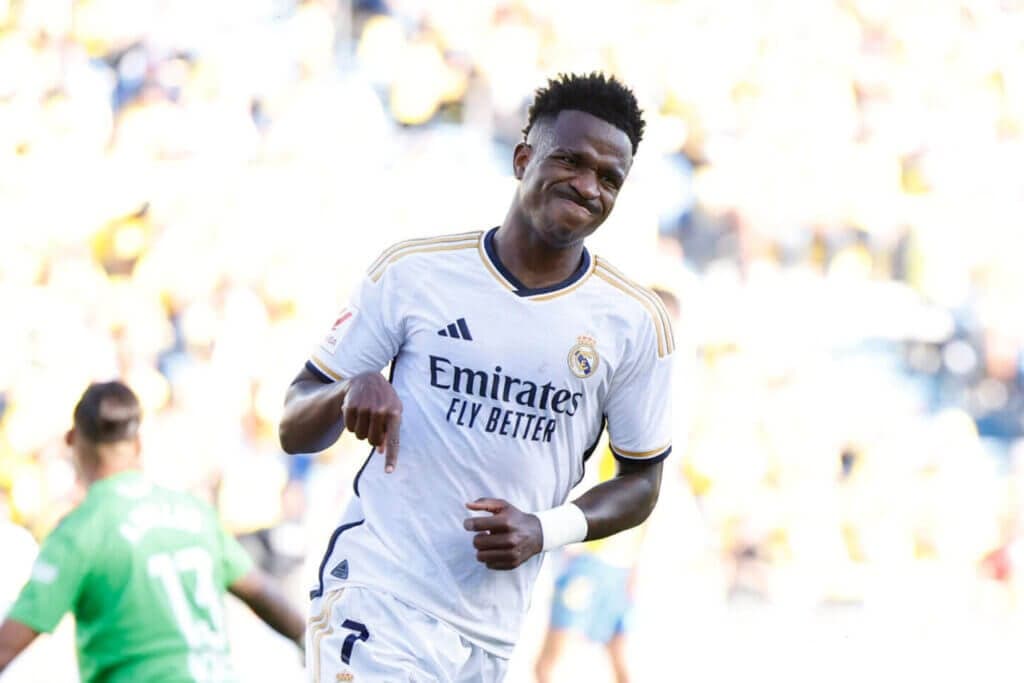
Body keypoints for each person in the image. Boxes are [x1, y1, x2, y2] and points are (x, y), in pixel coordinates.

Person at [280, 72, 676, 682]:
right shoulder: (416, 272)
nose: (587, 186)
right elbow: (293, 422)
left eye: (609, 178)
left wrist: (546, 529)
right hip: (379, 594)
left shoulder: (634, 323)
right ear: (524, 159)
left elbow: (643, 481)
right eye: (570, 160)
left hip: (490, 631)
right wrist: (346, 392)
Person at [0, 381, 306, 682]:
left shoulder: (80, 530)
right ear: (137, 444)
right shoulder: (194, 512)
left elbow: (9, 644)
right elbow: (261, 593)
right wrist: (307, 639)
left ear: (71, 440)